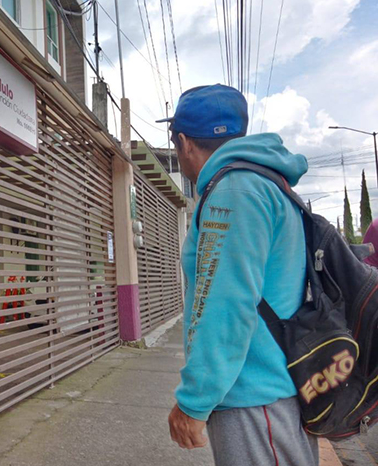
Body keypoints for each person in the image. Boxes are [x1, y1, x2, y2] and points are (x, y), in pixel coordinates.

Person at [159, 84, 319, 466]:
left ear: (183, 142)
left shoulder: (234, 191)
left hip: (255, 399)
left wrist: (195, 400)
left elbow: (225, 303)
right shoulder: (262, 183)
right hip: (270, 396)